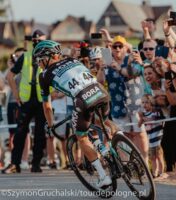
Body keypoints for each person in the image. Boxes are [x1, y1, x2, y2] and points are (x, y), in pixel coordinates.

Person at [33, 40, 112, 188]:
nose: (39, 64)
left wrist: (50, 125)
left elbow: (47, 106)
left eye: (39, 60)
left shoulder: (44, 75)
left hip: (83, 99)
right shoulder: (73, 60)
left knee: (81, 137)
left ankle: (102, 175)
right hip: (101, 92)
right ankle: (108, 147)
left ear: (49, 57)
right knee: (102, 122)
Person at [2, 30, 47, 174]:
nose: (37, 43)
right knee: (20, 133)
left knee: (40, 134)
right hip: (26, 101)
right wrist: (16, 95)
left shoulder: (48, 57)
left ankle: (36, 164)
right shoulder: (26, 56)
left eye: (40, 41)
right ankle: (15, 163)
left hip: (41, 101)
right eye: (35, 41)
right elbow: (10, 76)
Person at [138, 94, 165, 178]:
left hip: (157, 138)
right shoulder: (143, 114)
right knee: (152, 158)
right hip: (149, 139)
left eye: (147, 102)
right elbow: (139, 125)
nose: (144, 105)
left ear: (151, 103)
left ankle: (161, 172)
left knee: (159, 156)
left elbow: (152, 120)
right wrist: (140, 117)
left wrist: (143, 118)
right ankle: (154, 172)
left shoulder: (155, 111)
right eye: (143, 102)